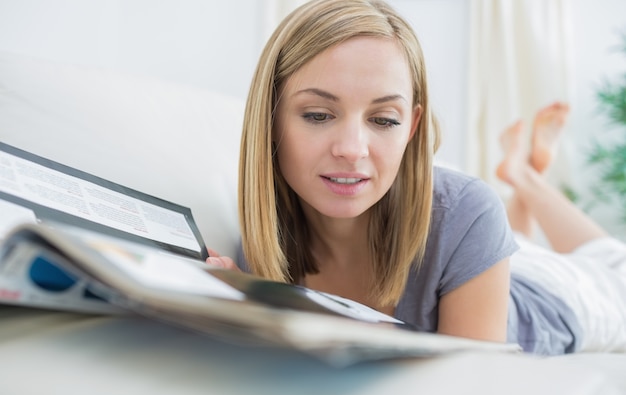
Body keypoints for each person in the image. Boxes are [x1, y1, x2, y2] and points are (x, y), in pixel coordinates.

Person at [205, 0, 625, 354]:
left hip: (551, 294)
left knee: (611, 261)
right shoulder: (263, 246)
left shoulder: (467, 213)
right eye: (318, 115)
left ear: (412, 127)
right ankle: (522, 176)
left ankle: (524, 177)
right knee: (511, 239)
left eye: (384, 120)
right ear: (270, 119)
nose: (352, 149)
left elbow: (468, 393)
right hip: (473, 254)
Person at [497, 102, 626, 353]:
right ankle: (526, 175)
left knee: (518, 246)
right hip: (528, 279)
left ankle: (526, 174)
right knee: (617, 261)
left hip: (518, 272)